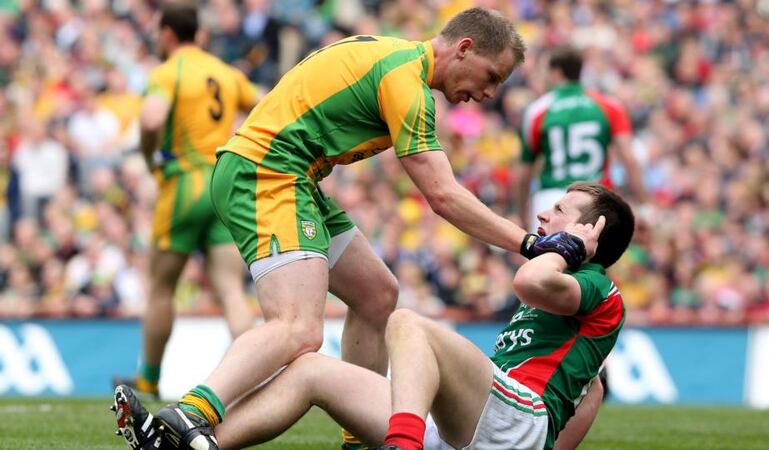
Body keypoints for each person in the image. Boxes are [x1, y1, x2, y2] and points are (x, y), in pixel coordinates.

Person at [113, 7, 549, 450]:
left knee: (377, 294)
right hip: (269, 172)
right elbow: (443, 195)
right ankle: (187, 415)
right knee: (298, 327)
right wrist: (528, 242)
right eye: (492, 76)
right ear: (464, 48)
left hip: (286, 173)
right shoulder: (407, 82)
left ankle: (358, 439)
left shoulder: (396, 57)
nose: (491, 93)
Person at [112, 181, 634, 450]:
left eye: (562, 213)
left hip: (509, 423)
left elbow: (528, 278)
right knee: (310, 369)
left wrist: (565, 248)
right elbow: (588, 395)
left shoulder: (596, 284)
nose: (545, 215)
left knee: (405, 322)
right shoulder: (575, 301)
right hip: (475, 428)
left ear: (592, 234)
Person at [113, 4, 259, 399]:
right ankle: (253, 376)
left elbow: (150, 119)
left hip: (184, 185)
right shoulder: (225, 72)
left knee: (161, 287)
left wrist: (149, 157)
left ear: (166, 34)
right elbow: (263, 106)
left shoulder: (168, 72)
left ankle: (148, 380)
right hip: (223, 184)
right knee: (230, 286)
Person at [516, 45, 645, 231]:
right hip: (598, 200)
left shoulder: (537, 111)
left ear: (556, 73)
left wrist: (522, 214)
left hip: (552, 199)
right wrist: (644, 204)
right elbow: (630, 159)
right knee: (599, 259)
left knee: (547, 259)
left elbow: (523, 172)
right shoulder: (608, 105)